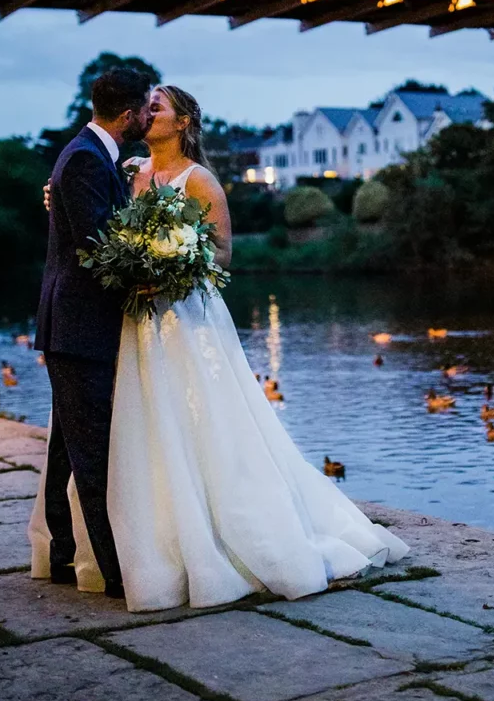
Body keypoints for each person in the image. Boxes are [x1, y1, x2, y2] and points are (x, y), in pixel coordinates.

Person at [31, 84, 407, 610]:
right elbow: (86, 213)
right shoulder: (128, 171)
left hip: (182, 316)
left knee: (197, 424)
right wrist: (55, 195)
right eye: (146, 106)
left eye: (158, 107)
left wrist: (172, 269)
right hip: (129, 322)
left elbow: (222, 255)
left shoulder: (200, 180)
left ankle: (217, 532)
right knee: (132, 431)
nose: (149, 112)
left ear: (182, 122)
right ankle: (138, 538)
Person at [27, 68, 152, 598]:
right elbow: (96, 247)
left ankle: (61, 555)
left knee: (66, 449)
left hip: (76, 327)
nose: (149, 116)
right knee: (93, 454)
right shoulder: (83, 158)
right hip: (80, 327)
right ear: (128, 115)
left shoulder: (90, 155)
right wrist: (151, 276)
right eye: (146, 109)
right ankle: (115, 573)